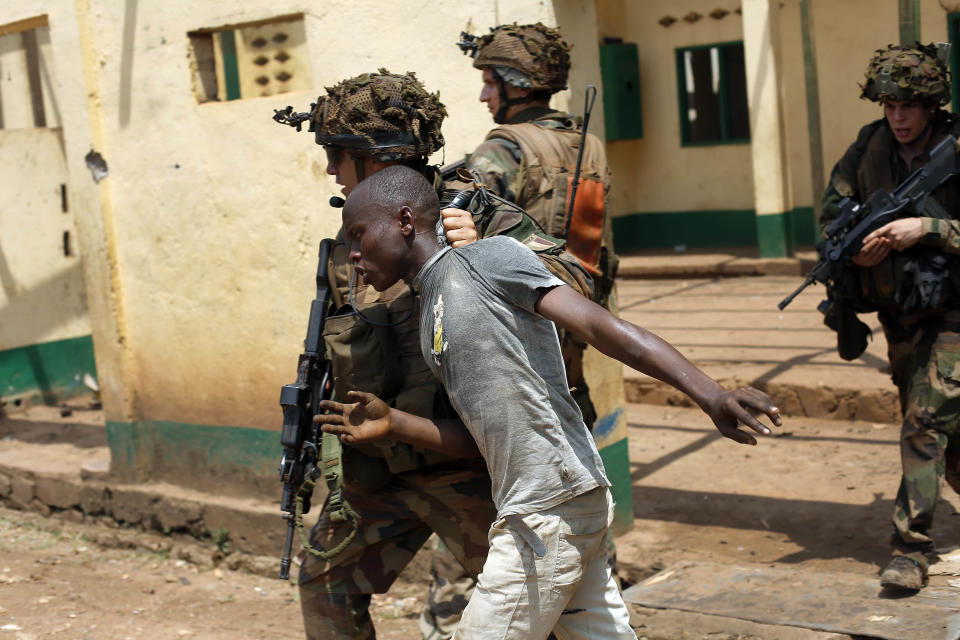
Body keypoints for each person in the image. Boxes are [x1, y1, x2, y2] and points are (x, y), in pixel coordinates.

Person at [318, 165, 783, 639]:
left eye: (358, 235)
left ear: (404, 220)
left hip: (548, 510)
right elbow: (484, 438)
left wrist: (711, 394)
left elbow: (601, 328)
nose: (352, 254)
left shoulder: (488, 258)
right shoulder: (429, 311)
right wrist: (395, 423)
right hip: (549, 504)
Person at [272, 70, 592, 639]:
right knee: (325, 584)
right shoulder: (359, 233)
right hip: (381, 467)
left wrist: (485, 251)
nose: (328, 169)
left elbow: (581, 289)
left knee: (553, 614)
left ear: (374, 159)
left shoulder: (475, 214)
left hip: (472, 471)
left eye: (335, 155)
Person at [821, 43, 960, 591]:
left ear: (931, 105)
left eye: (909, 106)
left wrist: (926, 230)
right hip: (900, 312)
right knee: (945, 430)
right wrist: (853, 250)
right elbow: (832, 215)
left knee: (924, 424)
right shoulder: (867, 149)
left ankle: (910, 549)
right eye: (889, 106)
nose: (898, 117)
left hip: (955, 311)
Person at [457, 22, 617, 431]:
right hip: (576, 316)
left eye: (491, 83)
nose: (483, 95)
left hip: (522, 323)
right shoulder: (588, 143)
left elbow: (458, 233)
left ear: (518, 85)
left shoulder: (504, 147)